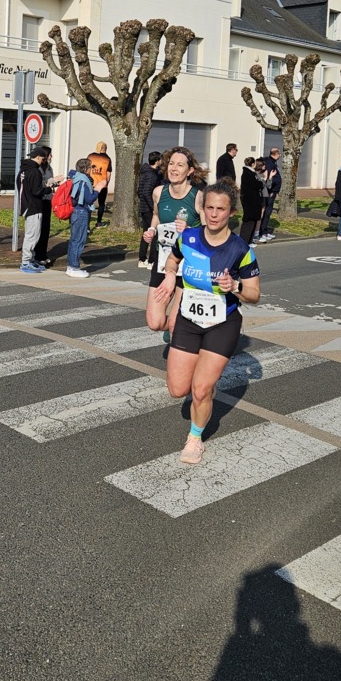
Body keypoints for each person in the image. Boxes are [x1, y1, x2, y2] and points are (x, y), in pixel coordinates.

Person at [154, 180, 260, 464]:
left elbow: (254, 294)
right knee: (178, 390)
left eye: (221, 209)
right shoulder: (188, 238)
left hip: (222, 323)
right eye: (209, 207)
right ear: (202, 208)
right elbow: (172, 261)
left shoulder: (240, 249)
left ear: (231, 212)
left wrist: (235, 287)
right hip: (188, 320)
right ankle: (205, 387)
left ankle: (194, 438)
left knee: (200, 390)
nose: (214, 214)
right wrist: (170, 275)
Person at [143, 147, 206, 341]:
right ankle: (184, 327)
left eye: (180, 165)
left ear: (190, 171)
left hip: (187, 263)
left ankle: (182, 334)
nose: (174, 168)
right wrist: (151, 230)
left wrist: (189, 230)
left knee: (174, 326)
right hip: (163, 261)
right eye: (171, 164)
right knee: (155, 322)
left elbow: (208, 233)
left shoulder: (197, 197)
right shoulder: (158, 192)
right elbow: (156, 215)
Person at [19, 148, 53, 273]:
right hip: (34, 206)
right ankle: (26, 262)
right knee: (32, 235)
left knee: (31, 234)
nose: (43, 161)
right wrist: (48, 189)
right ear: (38, 157)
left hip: (26, 204)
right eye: (43, 158)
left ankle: (31, 260)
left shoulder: (23, 170)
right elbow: (37, 191)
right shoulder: (34, 172)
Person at [66, 158, 100, 277]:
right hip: (81, 212)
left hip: (75, 212)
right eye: (90, 167)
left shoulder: (76, 178)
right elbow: (89, 199)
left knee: (74, 240)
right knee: (79, 240)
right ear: (85, 169)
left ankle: (71, 266)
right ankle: (74, 267)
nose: (91, 170)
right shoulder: (83, 180)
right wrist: (97, 190)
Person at [34, 147, 62, 267]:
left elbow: (49, 184)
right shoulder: (38, 169)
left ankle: (43, 254)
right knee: (39, 229)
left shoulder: (49, 168)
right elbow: (40, 184)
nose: (51, 157)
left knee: (46, 228)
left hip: (48, 200)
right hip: (40, 200)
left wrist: (56, 183)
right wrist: (53, 180)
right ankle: (37, 255)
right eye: (50, 155)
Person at [137, 150, 162, 269]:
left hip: (143, 207)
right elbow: (146, 192)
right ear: (157, 161)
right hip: (149, 209)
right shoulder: (152, 175)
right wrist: (153, 207)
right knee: (154, 233)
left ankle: (142, 259)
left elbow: (140, 191)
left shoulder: (144, 173)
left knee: (146, 233)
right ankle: (152, 260)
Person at [239, 156, 264, 244]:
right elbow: (256, 184)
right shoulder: (248, 173)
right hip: (250, 200)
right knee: (249, 220)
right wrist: (261, 182)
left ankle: (249, 240)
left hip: (252, 199)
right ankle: (245, 241)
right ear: (253, 164)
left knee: (253, 219)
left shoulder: (250, 173)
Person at [258, 147, 281, 242]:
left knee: (268, 212)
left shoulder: (272, 163)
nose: (280, 155)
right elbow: (267, 178)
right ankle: (262, 232)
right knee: (266, 212)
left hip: (272, 191)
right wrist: (270, 191)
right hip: (269, 192)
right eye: (279, 154)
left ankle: (265, 231)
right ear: (276, 154)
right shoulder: (269, 163)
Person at [88, 141, 112, 227]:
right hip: (102, 185)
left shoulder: (91, 156)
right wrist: (107, 183)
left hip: (91, 184)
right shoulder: (107, 159)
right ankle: (98, 222)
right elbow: (108, 173)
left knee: (89, 203)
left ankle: (87, 224)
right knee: (101, 204)